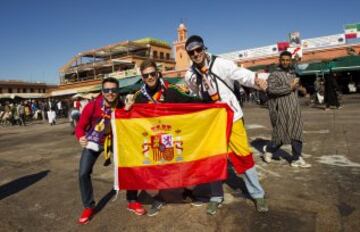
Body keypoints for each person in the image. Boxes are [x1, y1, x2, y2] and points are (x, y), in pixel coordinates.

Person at [184, 35, 269, 215]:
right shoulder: (189, 75)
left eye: (198, 49)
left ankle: (258, 194)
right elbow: (193, 93)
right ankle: (216, 196)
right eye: (191, 52)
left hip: (232, 117)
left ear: (204, 49)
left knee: (243, 155)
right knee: (213, 159)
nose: (196, 54)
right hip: (211, 122)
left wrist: (256, 80)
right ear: (189, 54)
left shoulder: (221, 64)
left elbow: (241, 74)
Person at [125, 59, 202, 217]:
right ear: (142, 77)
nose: (150, 77)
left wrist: (212, 102)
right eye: (146, 75)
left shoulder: (171, 90)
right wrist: (126, 110)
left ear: (158, 73)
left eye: (153, 74)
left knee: (181, 166)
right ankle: (159, 198)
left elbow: (191, 102)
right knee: (157, 170)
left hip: (174, 135)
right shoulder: (139, 96)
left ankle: (188, 192)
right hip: (153, 139)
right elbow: (129, 119)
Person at [75, 77, 130, 224]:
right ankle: (88, 206)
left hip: (113, 142)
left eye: (113, 90)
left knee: (131, 165)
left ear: (118, 91)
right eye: (107, 90)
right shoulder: (92, 106)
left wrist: (128, 110)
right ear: (102, 91)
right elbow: (80, 127)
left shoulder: (122, 105)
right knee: (83, 173)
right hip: (94, 141)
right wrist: (80, 137)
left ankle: (132, 200)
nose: (110, 93)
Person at [262, 51, 311, 168]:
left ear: (290, 60)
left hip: (294, 107)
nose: (285, 62)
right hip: (281, 108)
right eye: (283, 60)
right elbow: (272, 90)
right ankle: (269, 150)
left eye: (287, 60)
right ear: (280, 60)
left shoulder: (292, 73)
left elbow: (295, 86)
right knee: (281, 133)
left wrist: (301, 89)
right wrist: (290, 87)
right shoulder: (274, 74)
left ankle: (296, 158)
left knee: (297, 131)